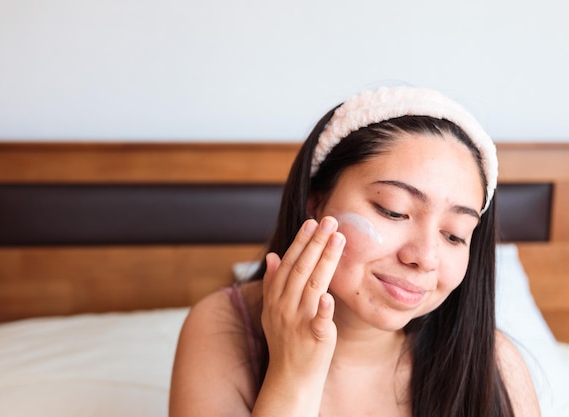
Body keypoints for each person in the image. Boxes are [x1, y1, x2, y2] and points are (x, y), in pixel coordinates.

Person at [169, 86, 539, 416]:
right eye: (393, 210)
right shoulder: (224, 329)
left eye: (455, 235)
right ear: (316, 204)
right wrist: (293, 375)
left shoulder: (494, 365)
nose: (424, 257)